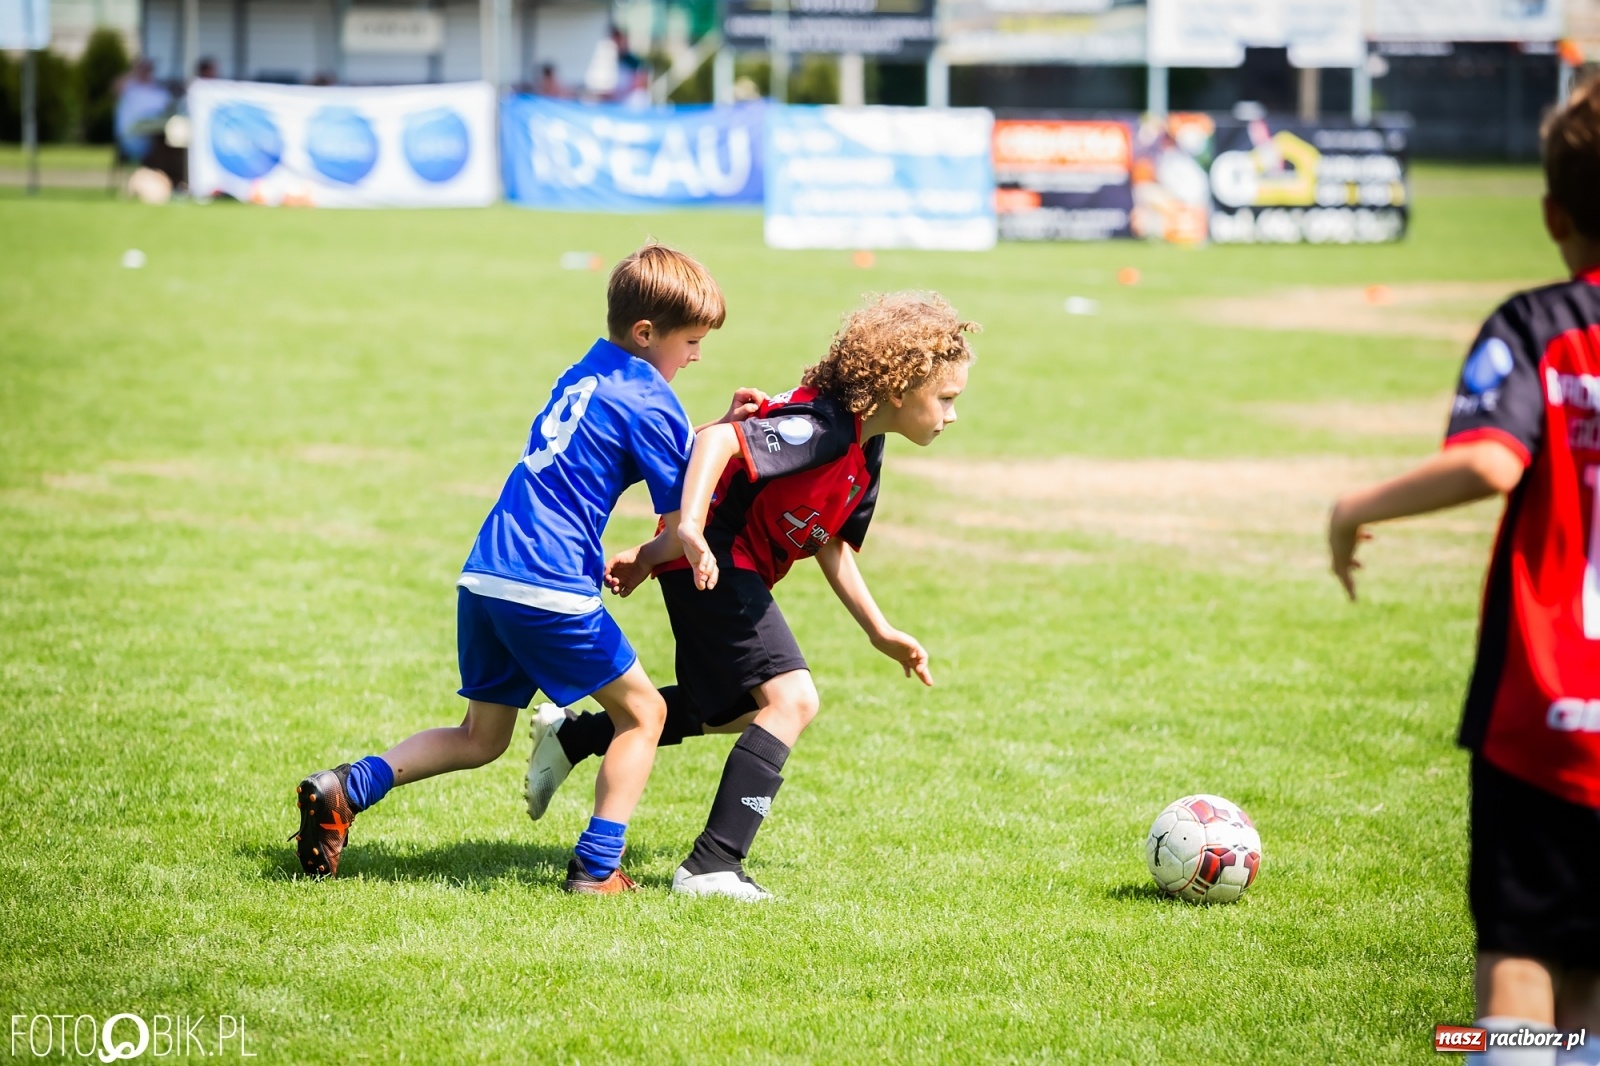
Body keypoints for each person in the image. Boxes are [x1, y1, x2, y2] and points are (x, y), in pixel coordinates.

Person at [291, 244, 764, 895]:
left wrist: (712, 429)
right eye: (690, 340)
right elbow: (687, 512)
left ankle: (345, 789)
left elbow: (650, 444)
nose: (697, 355)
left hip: (487, 571)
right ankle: (598, 869)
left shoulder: (587, 370)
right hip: (547, 579)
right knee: (644, 716)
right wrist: (710, 479)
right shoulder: (653, 400)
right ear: (646, 333)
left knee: (481, 737)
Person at [523, 292, 978, 900]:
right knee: (792, 700)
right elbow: (718, 445)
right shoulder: (826, 426)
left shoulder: (866, 450)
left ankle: (574, 736)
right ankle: (713, 863)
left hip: (713, 563)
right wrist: (677, 536)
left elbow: (831, 543)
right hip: (711, 560)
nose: (951, 415)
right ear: (900, 389)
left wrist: (880, 631)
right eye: (945, 399)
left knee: (734, 709)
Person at [1328, 81, 1600, 1066]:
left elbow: (1492, 459)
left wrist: (1352, 506)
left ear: (1551, 213)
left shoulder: (1539, 324)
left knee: (1521, 969)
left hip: (1547, 707)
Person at [113, 59, 172, 166]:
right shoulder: (130, 88)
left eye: (147, 69)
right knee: (159, 147)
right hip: (133, 137)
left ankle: (170, 176)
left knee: (171, 143)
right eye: (142, 69)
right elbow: (115, 87)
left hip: (157, 136)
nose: (145, 72)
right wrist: (133, 71)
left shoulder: (159, 92)